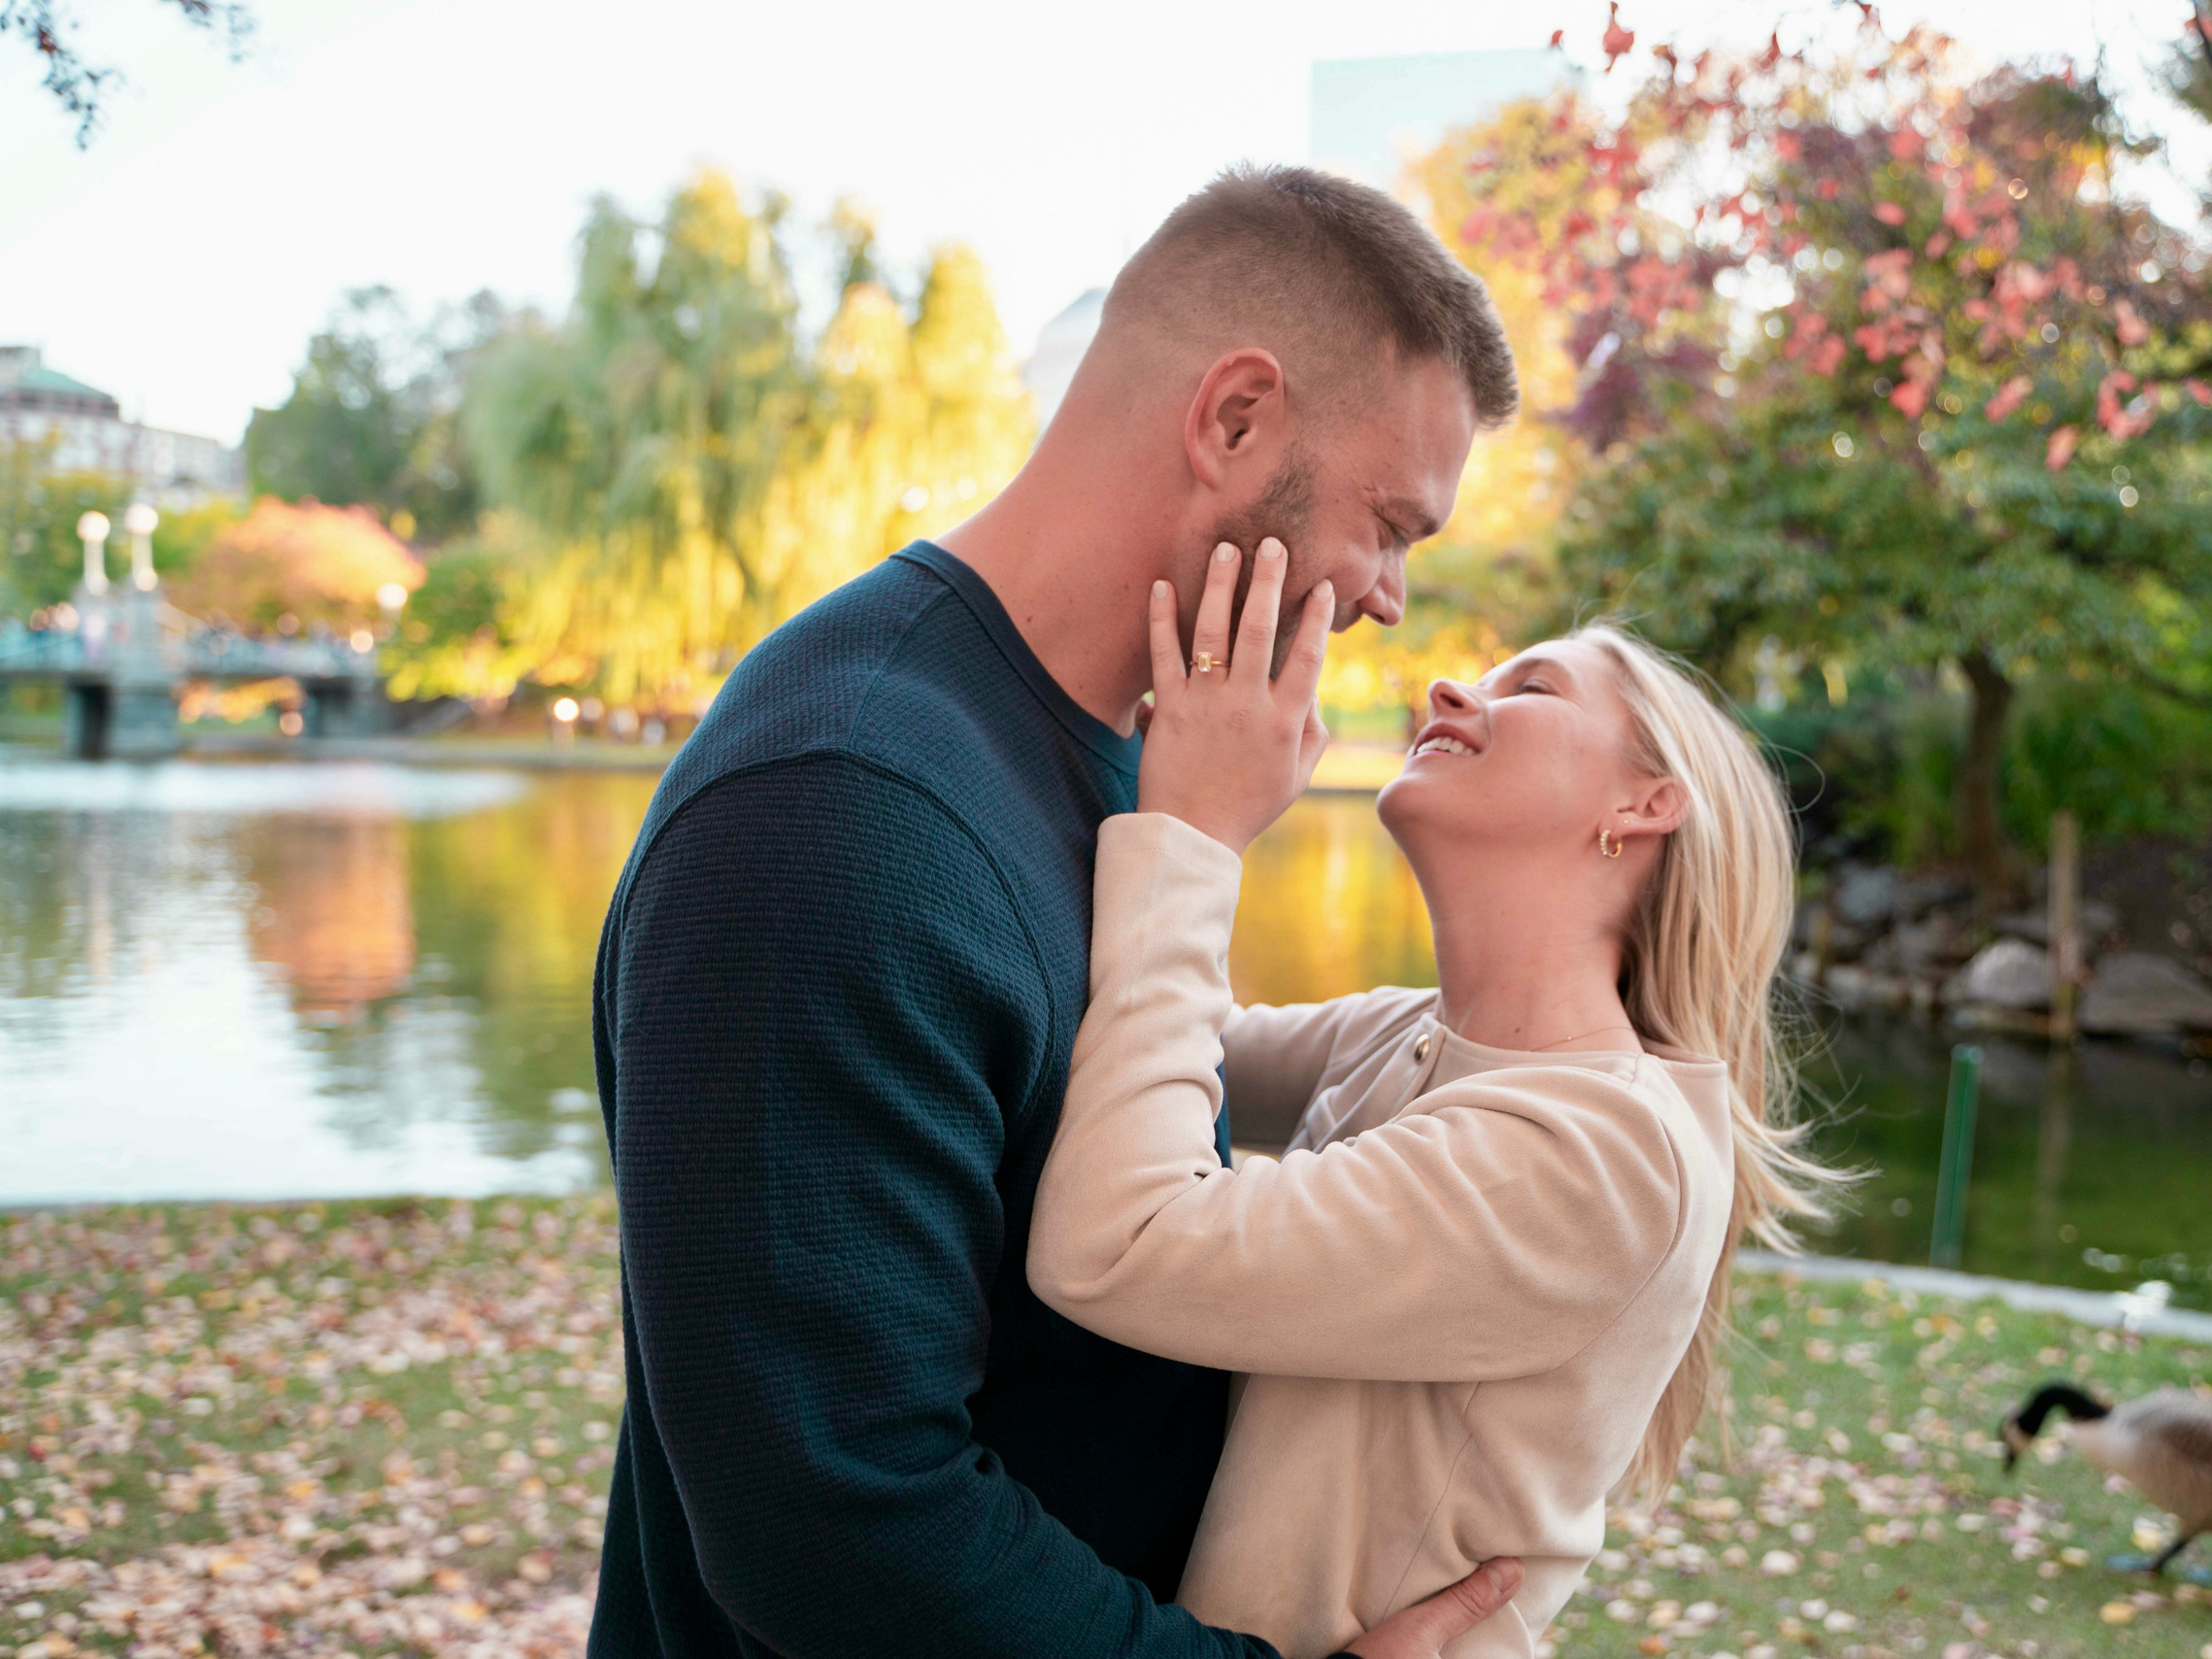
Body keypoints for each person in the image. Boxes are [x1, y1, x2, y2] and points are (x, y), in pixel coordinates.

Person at [587, 165, 1525, 1659]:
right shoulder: (836, 812)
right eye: (1390, 523)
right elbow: (832, 1526)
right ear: (1234, 420)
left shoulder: (1128, 771)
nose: (1394, 596)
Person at [1025, 547, 1837, 1658]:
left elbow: (1117, 1240)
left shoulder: (1605, 1153)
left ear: (1645, 805)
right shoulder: (1414, 1034)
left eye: (1532, 687)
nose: (1450, 691)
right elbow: (1134, 1046)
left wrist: (1199, 832)